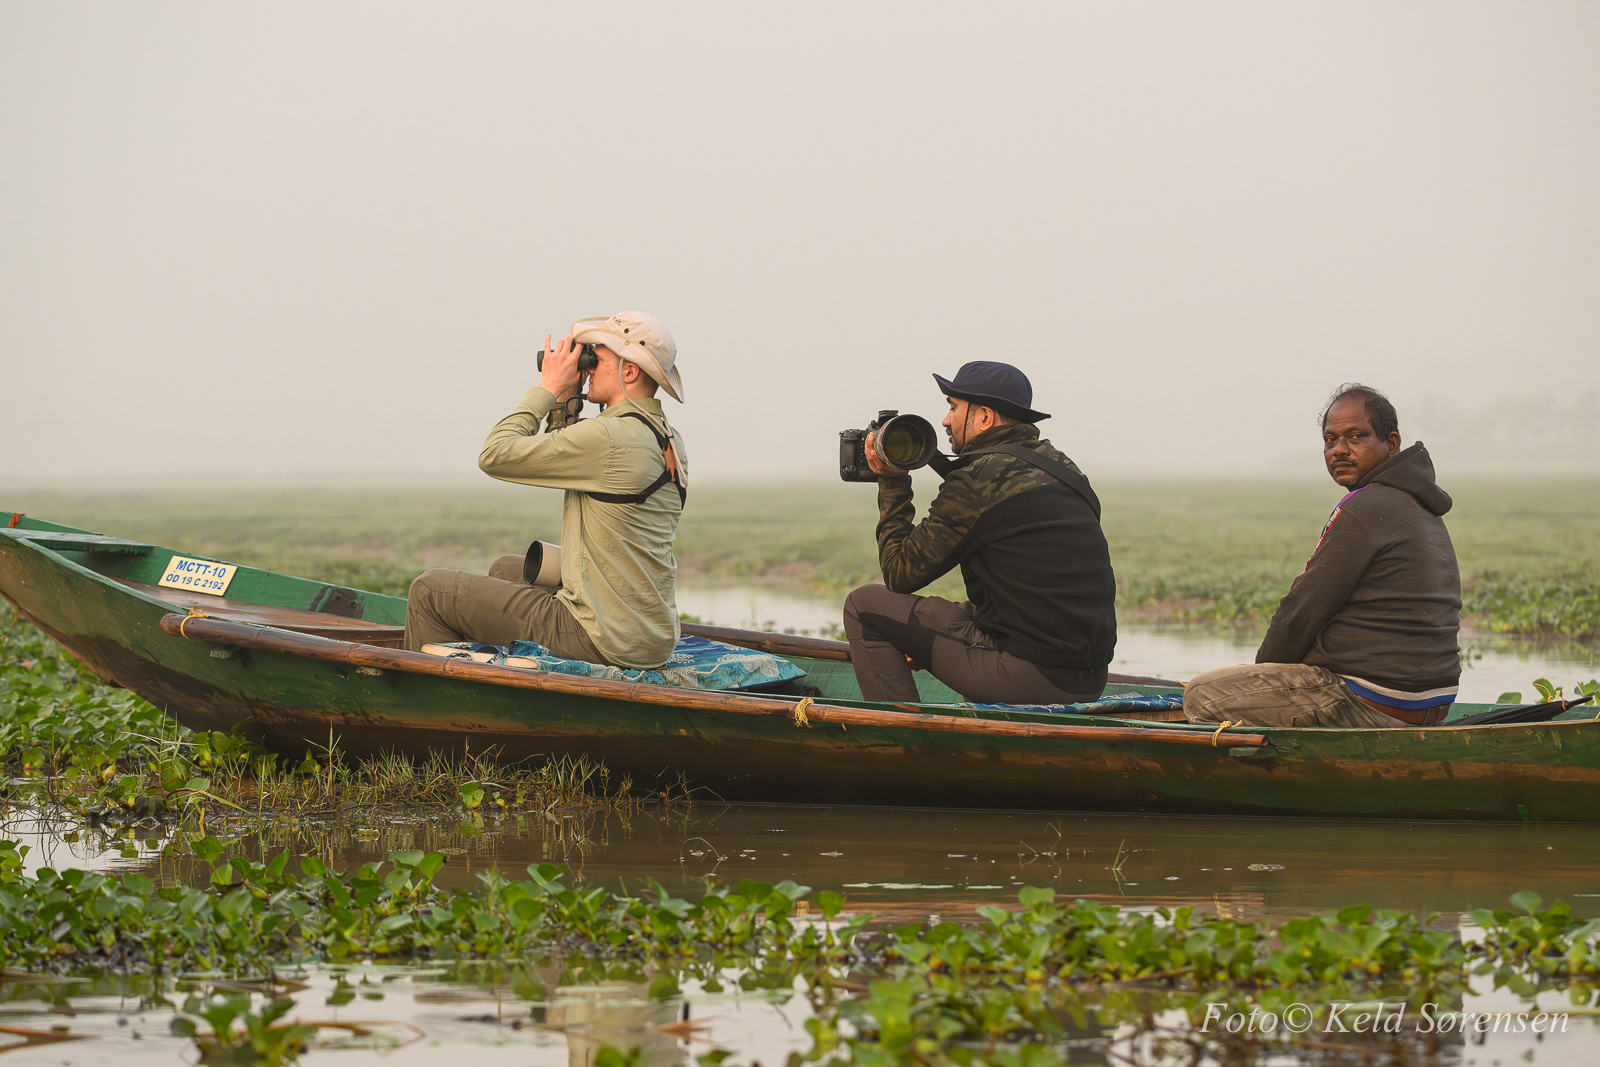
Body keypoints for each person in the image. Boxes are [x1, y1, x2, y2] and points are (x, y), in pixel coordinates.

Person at [404, 311, 688, 669]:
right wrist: (567, 401)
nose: (585, 367)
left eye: (595, 359)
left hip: (601, 637)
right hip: (645, 634)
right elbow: (567, 451)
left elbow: (495, 455)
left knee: (430, 590)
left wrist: (548, 388)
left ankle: (434, 701)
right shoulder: (666, 437)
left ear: (629, 371)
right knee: (507, 570)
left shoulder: (609, 437)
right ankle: (504, 679)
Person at [1184, 384, 1461, 728]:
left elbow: (1302, 611)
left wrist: (1262, 676)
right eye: (1331, 440)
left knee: (1200, 693)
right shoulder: (1420, 503)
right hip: (1430, 703)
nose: (1339, 450)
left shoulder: (1365, 506)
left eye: (1355, 437)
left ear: (1391, 444)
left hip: (1374, 701)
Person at [841, 362, 1117, 705]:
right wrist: (918, 636)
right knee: (948, 611)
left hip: (1028, 678)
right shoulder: (1063, 468)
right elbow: (1032, 590)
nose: (945, 420)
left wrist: (892, 481)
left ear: (985, 417)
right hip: (1091, 680)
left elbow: (900, 573)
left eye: (953, 407)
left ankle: (897, 743)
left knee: (863, 605)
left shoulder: (978, 478)